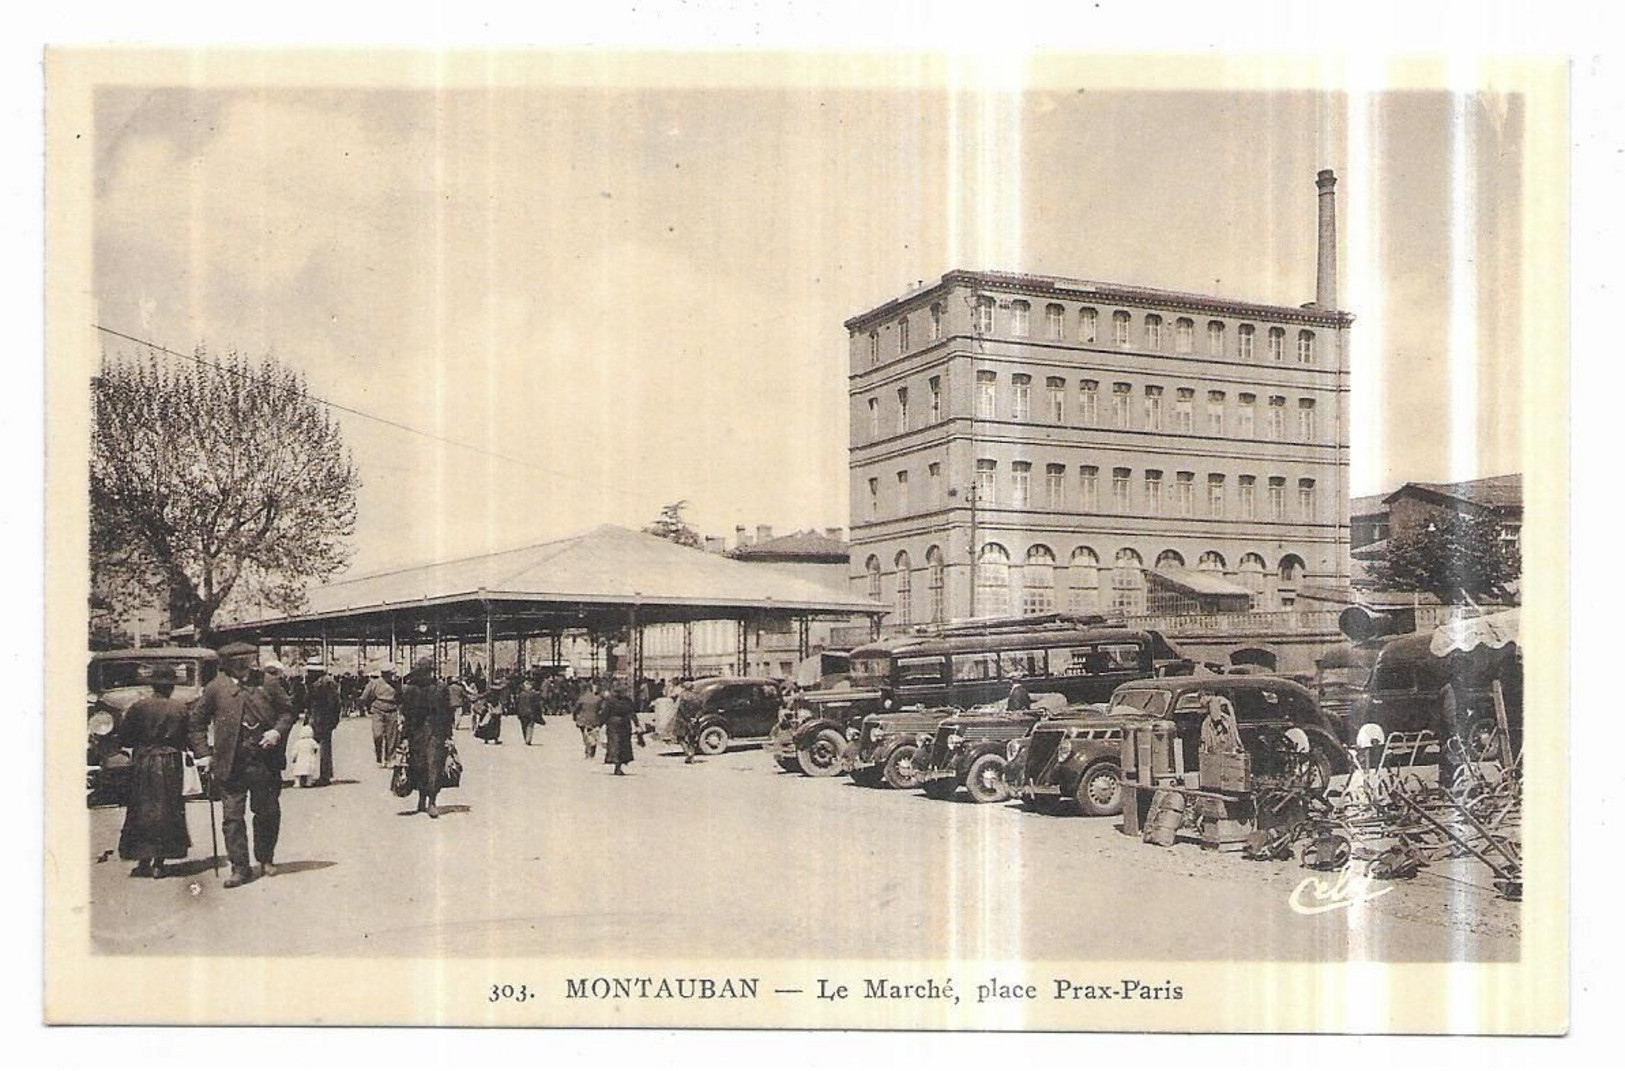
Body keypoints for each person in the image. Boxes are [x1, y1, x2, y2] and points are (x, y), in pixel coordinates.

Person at [189, 642, 296, 888]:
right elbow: (196, 723)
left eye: (245, 661)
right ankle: (240, 868)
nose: (241, 668)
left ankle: (266, 858)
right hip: (230, 764)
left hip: (264, 762)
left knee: (267, 812)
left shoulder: (268, 683)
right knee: (232, 818)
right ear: (226, 664)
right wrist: (204, 754)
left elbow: (288, 712)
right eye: (235, 664)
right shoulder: (216, 688)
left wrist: (276, 733)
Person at [116, 664, 193, 878]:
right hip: (170, 762)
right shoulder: (180, 708)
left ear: (152, 686)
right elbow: (187, 738)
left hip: (143, 762)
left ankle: (143, 860)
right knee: (168, 809)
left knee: (142, 809)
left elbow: (125, 738)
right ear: (171, 687)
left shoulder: (138, 707)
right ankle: (160, 862)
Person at [400, 657, 455, 818]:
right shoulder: (410, 689)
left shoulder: (440, 688)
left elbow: (447, 713)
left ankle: (432, 801)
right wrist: (404, 737)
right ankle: (421, 798)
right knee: (418, 766)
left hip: (435, 733)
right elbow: (406, 715)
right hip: (416, 733)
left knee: (434, 766)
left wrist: (448, 736)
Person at [306, 666, 341, 786]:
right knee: (318, 747)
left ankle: (324, 775)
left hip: (323, 719)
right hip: (319, 718)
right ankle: (317, 774)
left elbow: (333, 703)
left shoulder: (325, 684)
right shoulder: (319, 682)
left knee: (323, 748)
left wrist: (332, 720)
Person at [361, 666, 402, 766]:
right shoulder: (374, 683)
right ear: (384, 674)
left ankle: (390, 758)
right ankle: (379, 756)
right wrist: (365, 708)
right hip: (378, 710)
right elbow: (365, 697)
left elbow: (401, 698)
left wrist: (401, 712)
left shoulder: (396, 684)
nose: (392, 676)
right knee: (377, 734)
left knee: (392, 736)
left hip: (392, 710)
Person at [600, 683, 640, 775]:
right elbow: (632, 713)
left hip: (614, 724)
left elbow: (605, 713)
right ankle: (618, 765)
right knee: (621, 744)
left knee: (616, 744)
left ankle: (617, 764)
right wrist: (637, 724)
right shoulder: (627, 701)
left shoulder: (611, 701)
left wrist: (600, 724)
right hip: (624, 724)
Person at [573, 683, 604, 758]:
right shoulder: (598, 698)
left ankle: (588, 750)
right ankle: (592, 749)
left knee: (585, 735)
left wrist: (575, 717)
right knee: (593, 734)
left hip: (583, 720)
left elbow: (576, 709)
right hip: (595, 719)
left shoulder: (582, 698)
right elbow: (602, 709)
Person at [288, 723, 320, 787]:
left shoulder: (298, 742)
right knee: (309, 772)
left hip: (300, 759)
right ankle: (308, 783)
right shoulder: (312, 741)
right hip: (309, 759)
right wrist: (313, 753)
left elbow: (295, 751)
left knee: (297, 772)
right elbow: (316, 747)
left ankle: (297, 783)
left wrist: (294, 757)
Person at [515, 677, 544, 745]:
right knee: (530, 726)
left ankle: (526, 738)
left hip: (522, 713)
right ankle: (528, 739)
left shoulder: (520, 694)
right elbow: (537, 705)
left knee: (524, 726)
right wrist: (539, 713)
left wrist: (518, 712)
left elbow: (517, 704)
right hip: (531, 713)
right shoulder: (533, 694)